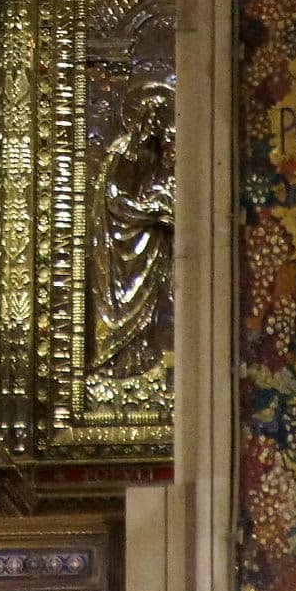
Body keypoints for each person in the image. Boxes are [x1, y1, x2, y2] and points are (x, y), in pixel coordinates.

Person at [88, 78, 176, 375]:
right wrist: (148, 212)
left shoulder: (156, 153)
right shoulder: (122, 150)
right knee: (121, 300)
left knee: (150, 298)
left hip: (146, 238)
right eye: (153, 116)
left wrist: (158, 208)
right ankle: (116, 362)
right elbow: (112, 200)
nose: (157, 123)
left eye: (162, 118)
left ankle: (141, 359)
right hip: (118, 239)